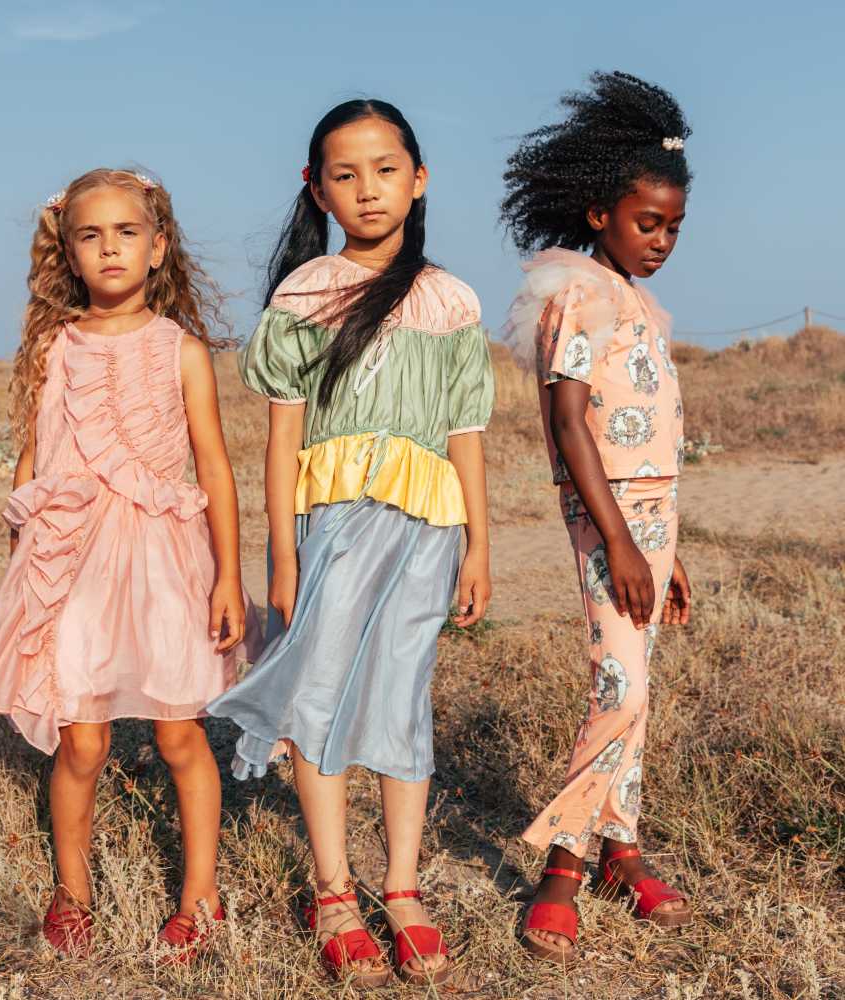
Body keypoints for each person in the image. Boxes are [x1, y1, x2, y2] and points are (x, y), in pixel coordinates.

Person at [207, 100, 494, 987]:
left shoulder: (450, 300)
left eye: (384, 169)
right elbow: (281, 439)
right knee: (319, 699)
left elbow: (466, 432)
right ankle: (333, 889)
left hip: (426, 526)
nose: (367, 190)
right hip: (326, 525)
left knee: (404, 694)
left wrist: (480, 545)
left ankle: (401, 888)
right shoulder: (304, 296)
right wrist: (281, 556)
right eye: (345, 173)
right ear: (318, 188)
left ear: (420, 178)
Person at [0, 168, 260, 961]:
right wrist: (27, 567)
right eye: (90, 235)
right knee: (83, 741)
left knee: (178, 736)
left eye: (127, 232)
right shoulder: (53, 350)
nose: (110, 248)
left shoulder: (181, 351)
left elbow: (215, 470)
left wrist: (228, 575)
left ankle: (201, 898)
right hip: (76, 564)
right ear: (69, 251)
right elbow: (32, 465)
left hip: (165, 563)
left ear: (158, 247)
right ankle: (72, 892)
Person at [501, 72, 695, 966]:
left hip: (656, 520)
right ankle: (563, 871)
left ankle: (623, 849)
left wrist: (669, 551)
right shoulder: (576, 292)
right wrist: (619, 540)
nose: (659, 241)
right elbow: (570, 419)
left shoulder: (639, 303)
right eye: (645, 223)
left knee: (639, 696)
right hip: (606, 522)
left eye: (671, 227)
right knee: (618, 687)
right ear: (596, 214)